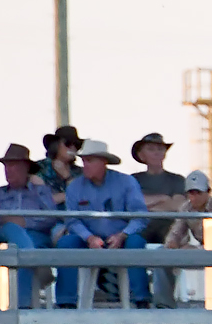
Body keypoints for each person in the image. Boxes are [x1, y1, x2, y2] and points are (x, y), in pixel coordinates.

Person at [56, 140, 152, 308]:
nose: (85, 165)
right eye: (84, 161)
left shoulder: (126, 182)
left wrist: (123, 234)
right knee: (65, 243)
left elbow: (140, 215)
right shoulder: (74, 187)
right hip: (88, 239)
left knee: (136, 242)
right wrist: (89, 237)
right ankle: (66, 302)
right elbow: (72, 219)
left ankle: (142, 299)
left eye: (90, 160)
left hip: (122, 236)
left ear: (103, 162)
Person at [0, 144, 57, 308]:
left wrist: (25, 222)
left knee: (21, 243)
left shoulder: (40, 191)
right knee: (1, 234)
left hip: (34, 237)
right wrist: (4, 220)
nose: (8, 170)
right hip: (0, 238)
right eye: (6, 165)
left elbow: (51, 218)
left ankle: (21, 305)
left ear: (26, 168)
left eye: (14, 165)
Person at [159, 170, 212, 307]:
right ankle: (163, 304)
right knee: (161, 254)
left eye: (199, 193)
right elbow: (176, 231)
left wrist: (195, 249)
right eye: (191, 193)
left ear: (208, 193)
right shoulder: (185, 208)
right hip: (201, 249)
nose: (195, 197)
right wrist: (171, 244)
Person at [131, 132, 187, 247]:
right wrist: (163, 198)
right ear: (141, 155)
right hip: (140, 228)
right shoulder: (132, 179)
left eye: (160, 149)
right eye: (151, 149)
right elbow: (132, 205)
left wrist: (148, 205)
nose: (156, 152)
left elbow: (178, 206)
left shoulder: (177, 179)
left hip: (170, 229)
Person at [35, 125, 83, 207]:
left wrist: (67, 176)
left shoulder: (81, 172)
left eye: (77, 145)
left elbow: (83, 199)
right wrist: (66, 196)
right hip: (47, 218)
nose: (73, 148)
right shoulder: (38, 168)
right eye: (68, 143)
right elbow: (37, 201)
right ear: (56, 145)